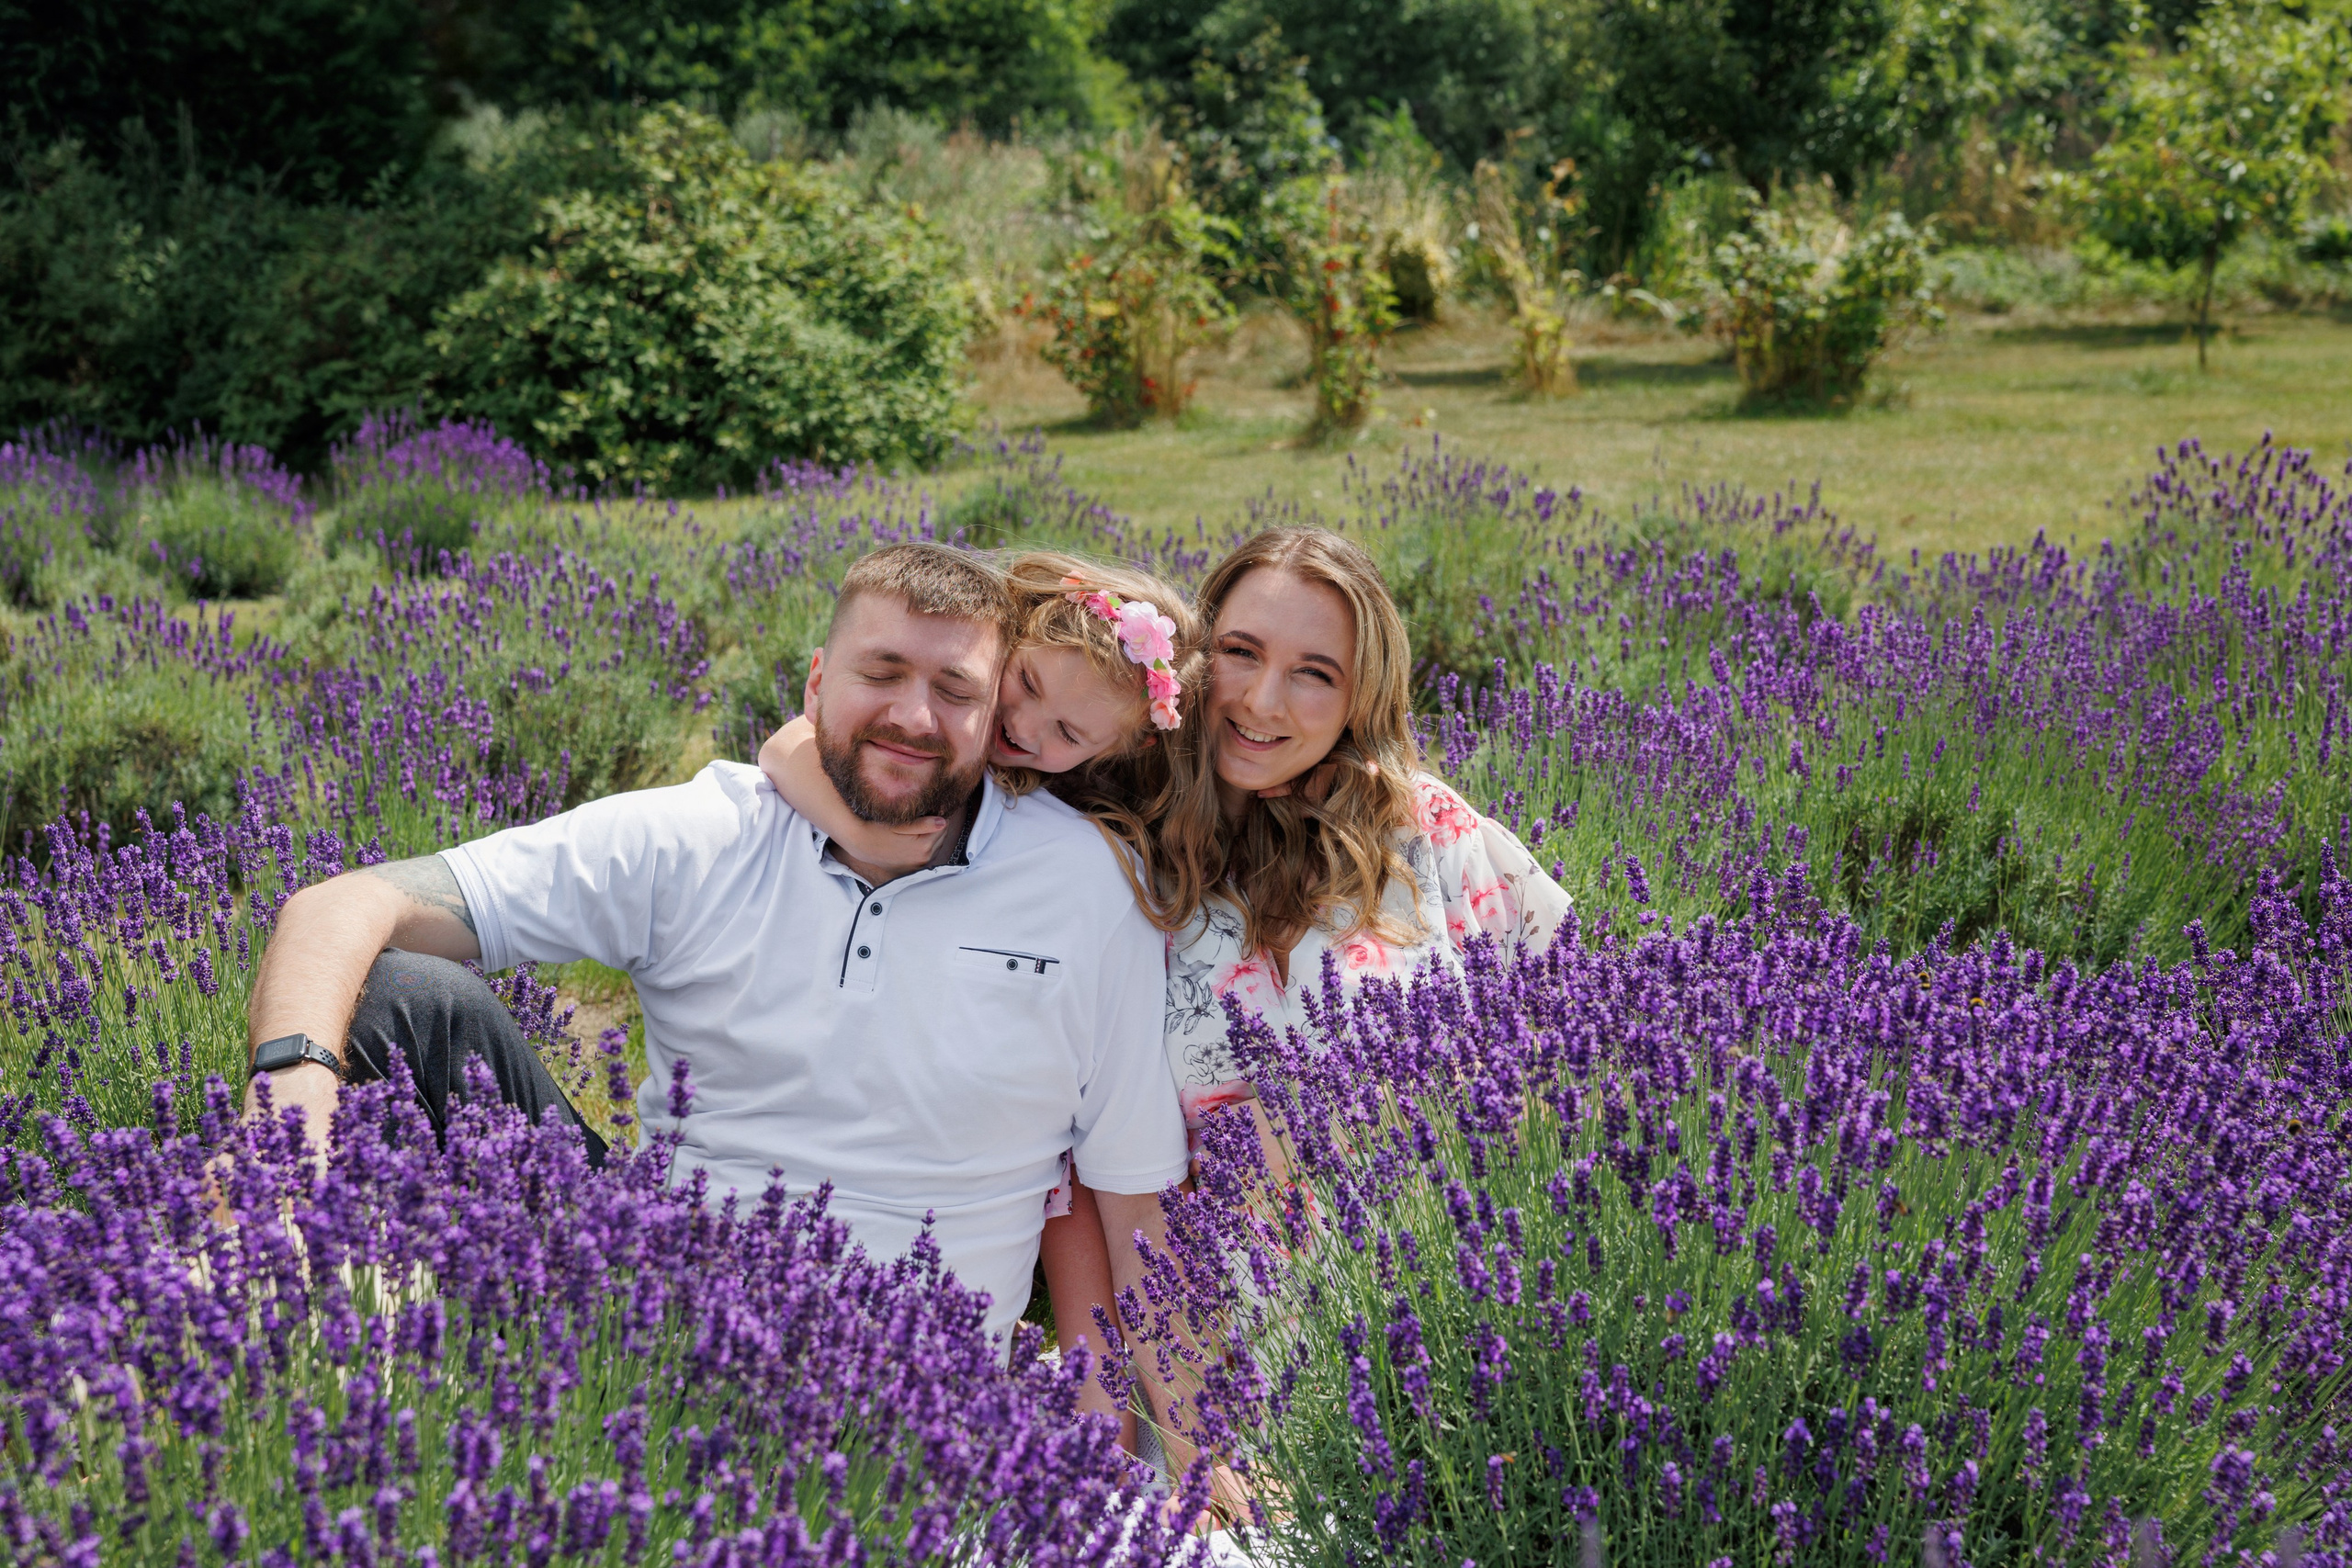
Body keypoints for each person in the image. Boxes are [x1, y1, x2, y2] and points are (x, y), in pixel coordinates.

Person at [240, 543, 1193, 1395]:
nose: (912, 714)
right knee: (402, 997)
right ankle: (342, 1372)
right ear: (816, 683)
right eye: (880, 672)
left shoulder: (1087, 885)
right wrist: (286, 1118)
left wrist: (1179, 1434)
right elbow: (340, 906)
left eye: (954, 689)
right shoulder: (710, 833)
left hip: (907, 1400)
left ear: (994, 722)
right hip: (654, 1316)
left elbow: (1129, 1193)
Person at [757, 549, 1204, 1449]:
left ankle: (1123, 1426)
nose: (1023, 724)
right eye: (1025, 684)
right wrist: (858, 825)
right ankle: (1100, 1414)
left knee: (1090, 1168)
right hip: (969, 1085)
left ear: (1113, 753)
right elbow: (783, 744)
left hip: (1066, 1052)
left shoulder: (1088, 835)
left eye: (1066, 731)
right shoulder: (937, 737)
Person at [1067, 525, 1572, 1212]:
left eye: (1314, 673)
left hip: (1469, 1256)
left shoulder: (1422, 827)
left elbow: (1586, 1059)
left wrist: (1338, 1110)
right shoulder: (1122, 864)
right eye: (1240, 652)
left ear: (1358, 698)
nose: (1261, 701)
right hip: (1225, 1276)